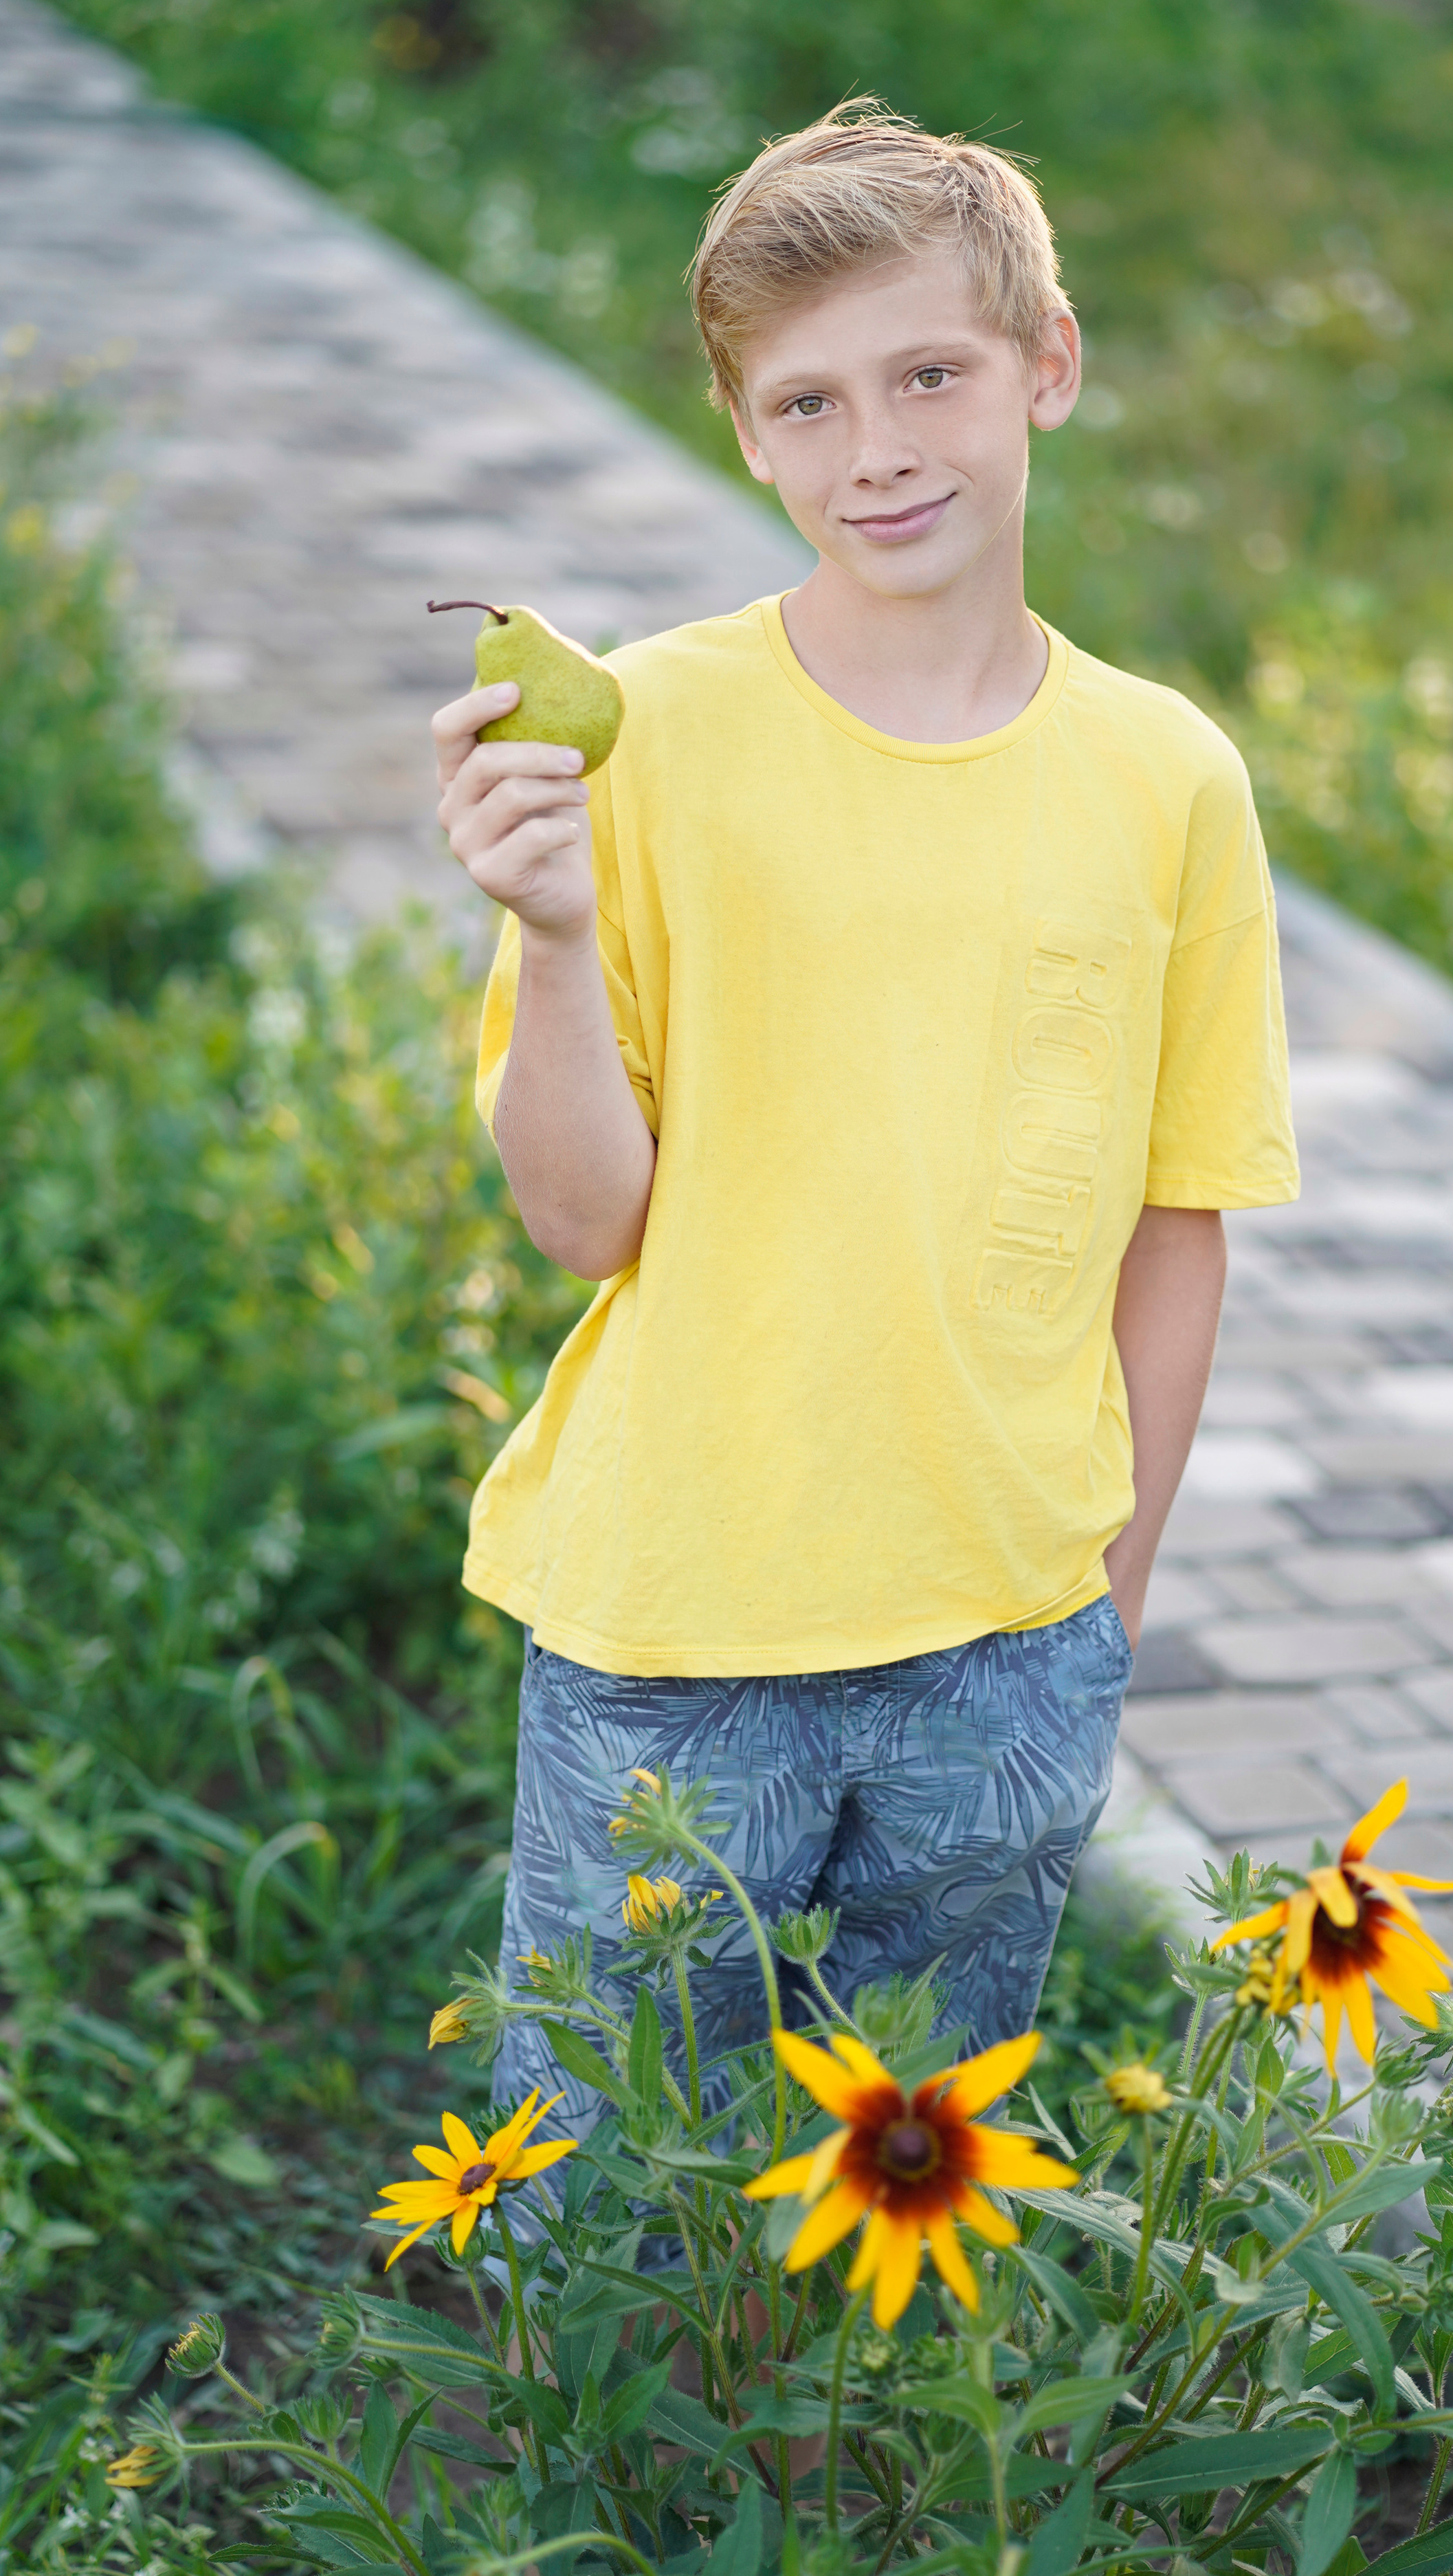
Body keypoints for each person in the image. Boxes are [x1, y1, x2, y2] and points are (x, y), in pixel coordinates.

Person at [432, 104, 1299, 2138]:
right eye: (809, 402)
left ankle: (869, 2479)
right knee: (609, 2189)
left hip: (1008, 1633)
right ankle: (628, 2479)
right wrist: (552, 933)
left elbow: (1181, 1222)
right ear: (748, 435)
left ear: (1048, 368)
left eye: (933, 375)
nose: (879, 449)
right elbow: (582, 1221)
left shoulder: (1166, 778)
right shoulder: (646, 737)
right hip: (680, 1619)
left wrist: (1115, 1594)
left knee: (913, 2172)